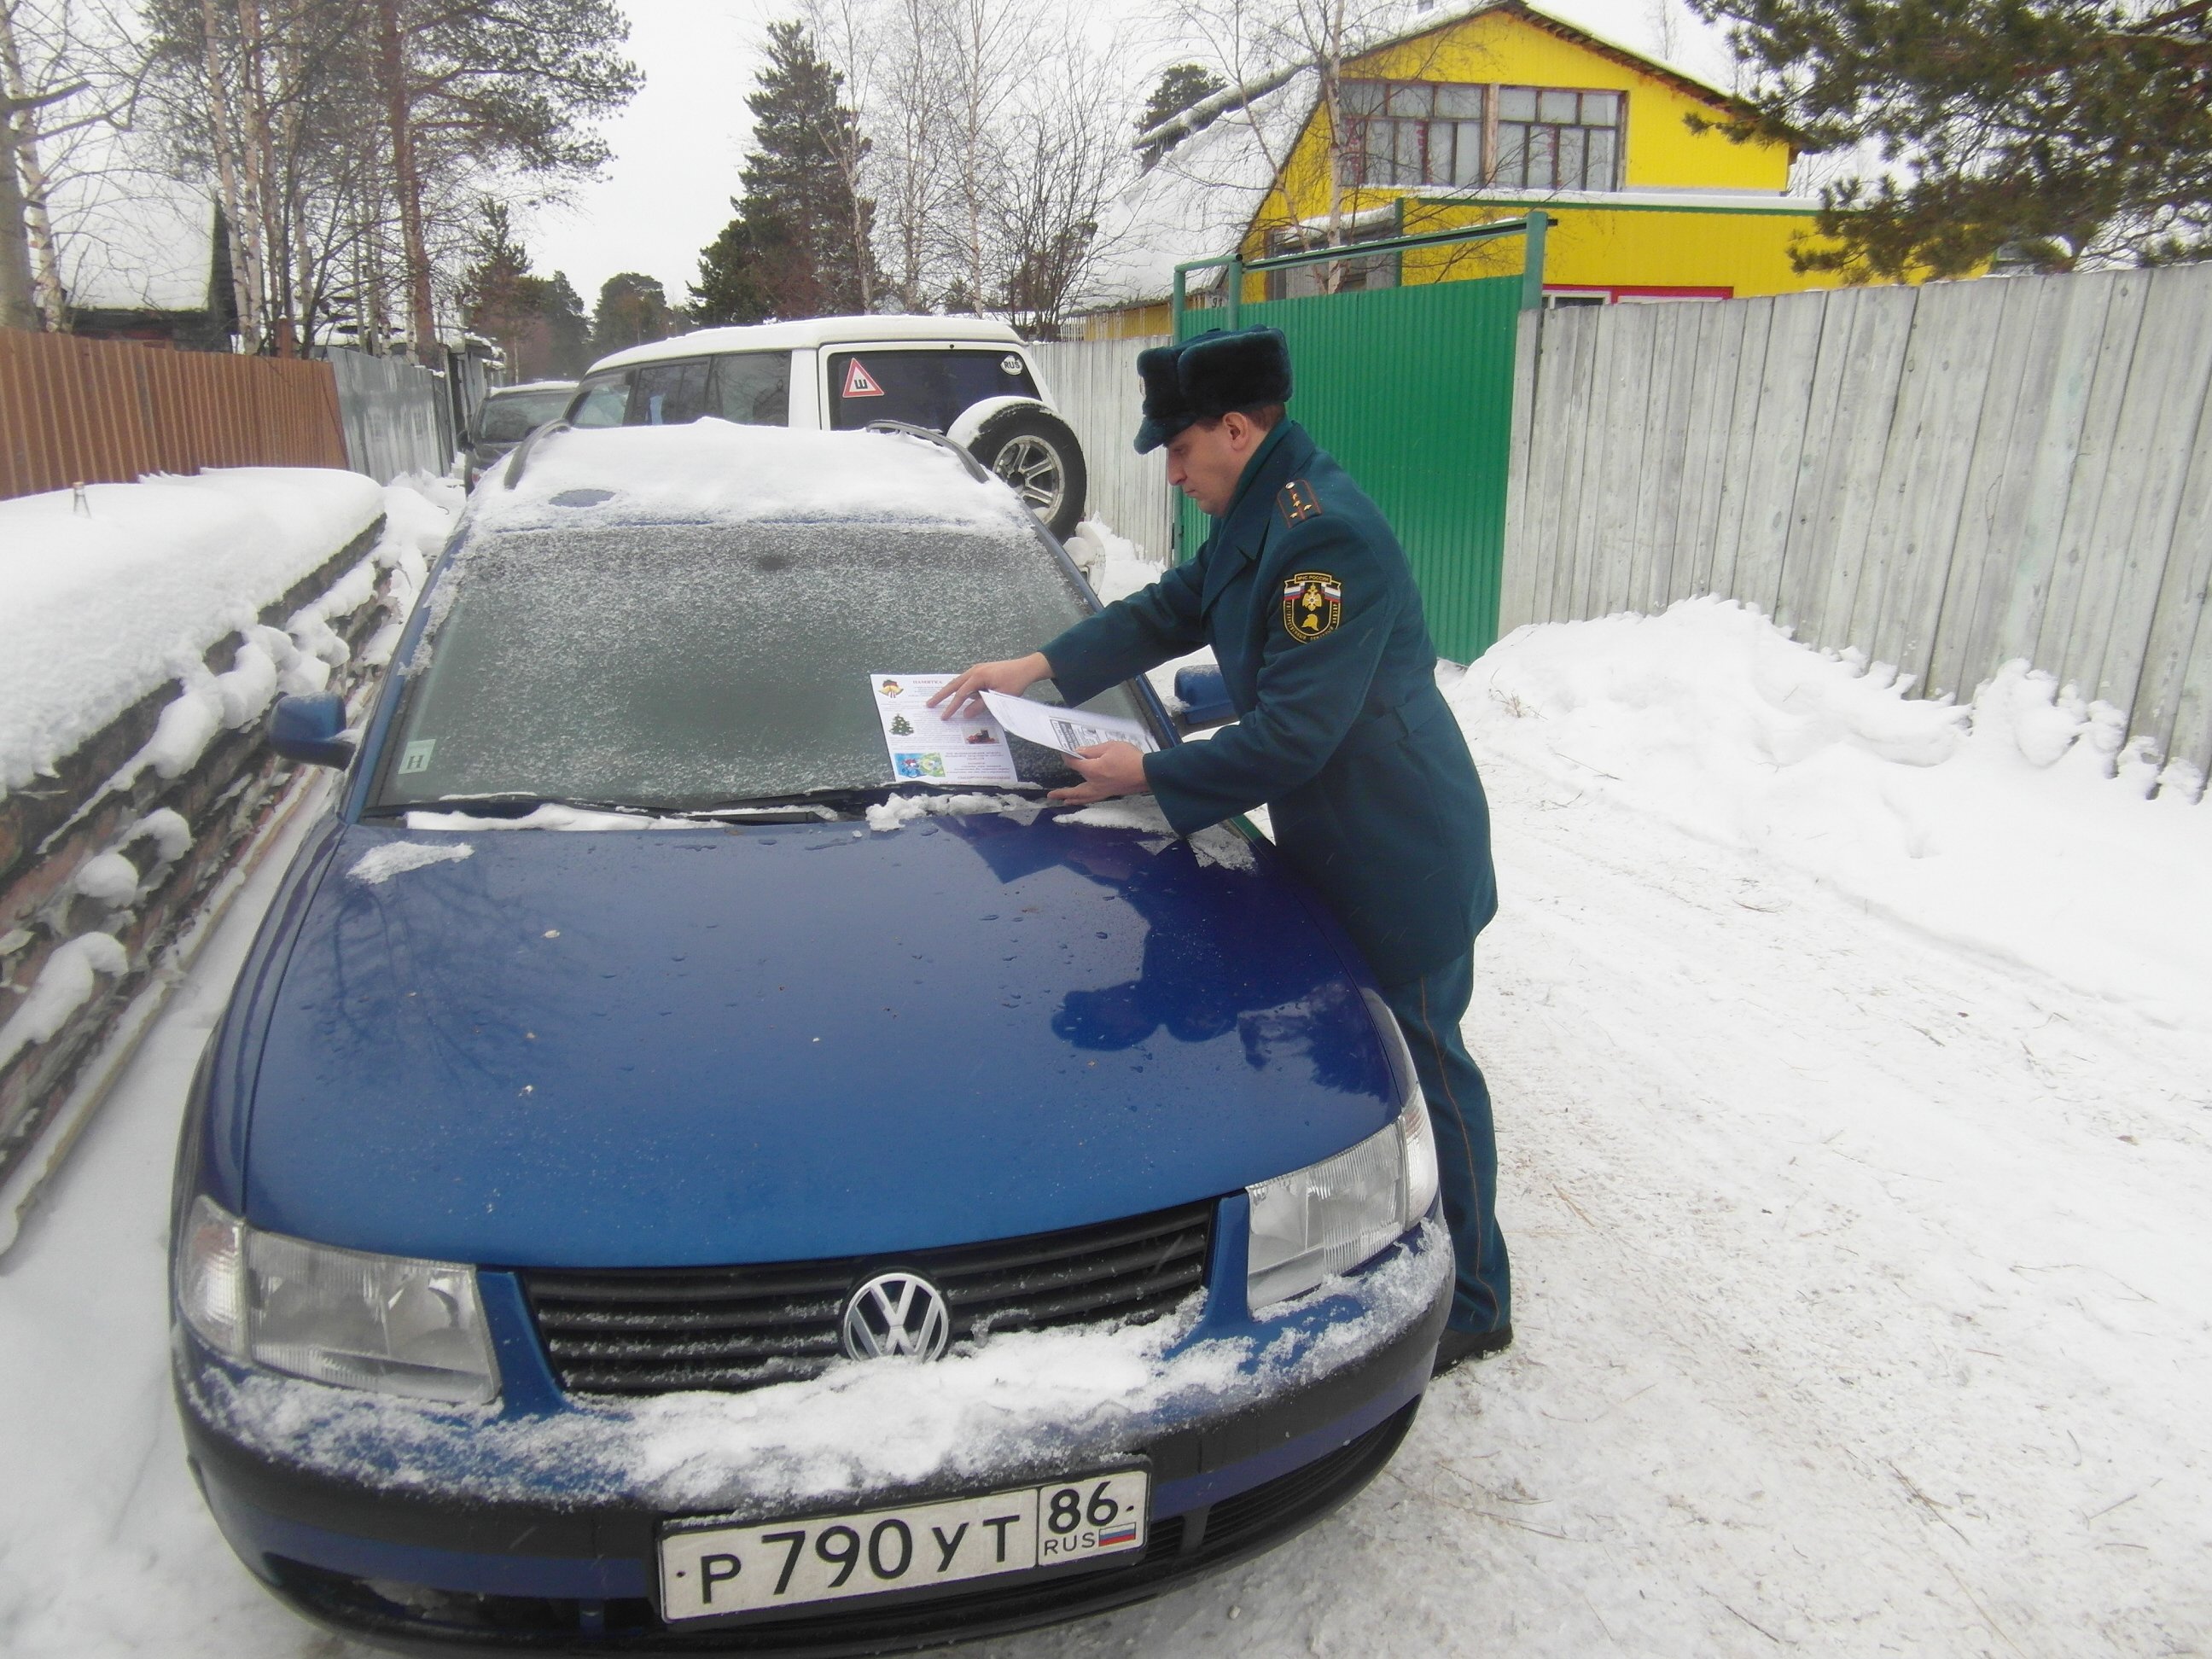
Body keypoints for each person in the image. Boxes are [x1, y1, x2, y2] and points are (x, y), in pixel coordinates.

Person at [931, 326, 1511, 1375]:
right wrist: (1036, 665)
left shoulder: (1321, 538)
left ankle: (1476, 1297)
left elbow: (1297, 734)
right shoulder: (1262, 513)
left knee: (1430, 1058)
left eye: (1181, 446)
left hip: (1401, 843)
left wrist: (1140, 772)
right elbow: (1177, 606)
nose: (1172, 468)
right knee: (1379, 1051)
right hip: (1344, 832)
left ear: (1238, 429)